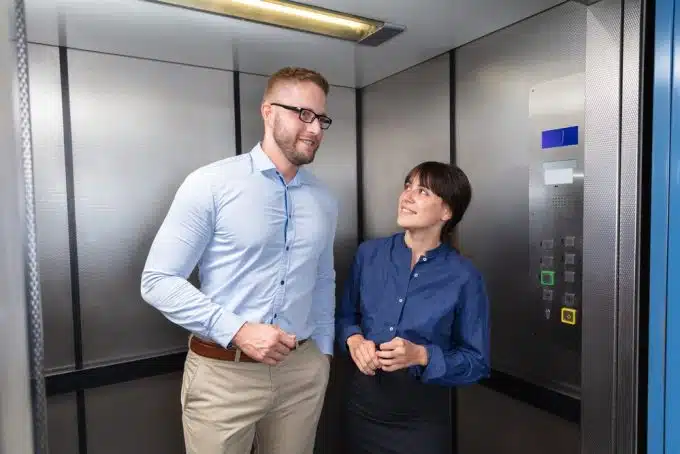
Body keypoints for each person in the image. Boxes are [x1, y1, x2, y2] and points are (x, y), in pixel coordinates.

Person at [140, 67, 338, 454]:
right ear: (268, 111)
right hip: (222, 375)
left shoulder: (325, 199)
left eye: (321, 119)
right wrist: (238, 330)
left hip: (301, 373)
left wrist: (323, 355)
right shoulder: (211, 184)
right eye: (303, 114)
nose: (315, 129)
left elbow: (323, 277)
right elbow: (158, 280)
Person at [335, 161, 491, 454]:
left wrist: (421, 355)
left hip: (421, 425)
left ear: (447, 212)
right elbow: (345, 317)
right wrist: (354, 340)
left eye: (422, 191)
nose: (406, 196)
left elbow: (476, 361)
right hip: (361, 413)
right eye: (407, 186)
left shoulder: (464, 276)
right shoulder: (369, 254)